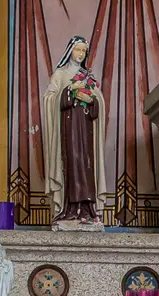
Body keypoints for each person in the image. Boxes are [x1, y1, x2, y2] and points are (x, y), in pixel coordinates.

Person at [40, 36, 108, 230]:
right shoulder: (60, 75)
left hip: (86, 130)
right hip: (67, 132)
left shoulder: (88, 77)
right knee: (71, 165)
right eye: (77, 50)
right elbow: (48, 99)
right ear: (70, 50)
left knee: (86, 165)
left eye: (83, 52)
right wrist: (69, 91)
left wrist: (91, 100)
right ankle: (69, 209)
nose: (80, 54)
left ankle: (86, 210)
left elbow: (99, 103)